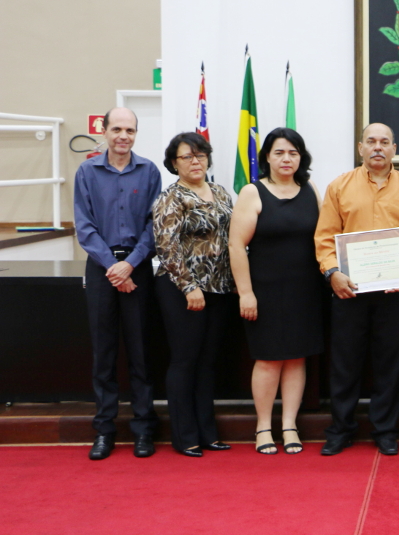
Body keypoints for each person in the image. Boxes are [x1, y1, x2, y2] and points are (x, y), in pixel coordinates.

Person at [314, 123, 399, 456]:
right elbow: (324, 237)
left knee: (390, 361)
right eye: (371, 142)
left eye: (385, 142)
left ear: (395, 149)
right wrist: (333, 273)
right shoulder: (339, 187)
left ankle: (385, 429)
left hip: (395, 293)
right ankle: (341, 428)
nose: (378, 148)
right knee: (345, 362)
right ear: (360, 147)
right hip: (349, 290)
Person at [229, 128, 325, 455]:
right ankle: (263, 427)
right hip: (264, 292)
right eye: (280, 152)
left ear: (301, 157)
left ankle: (289, 424)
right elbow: (236, 246)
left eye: (293, 153)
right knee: (269, 360)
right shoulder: (252, 193)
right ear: (267, 156)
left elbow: (324, 238)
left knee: (297, 358)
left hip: (305, 290)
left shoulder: (311, 189)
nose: (287, 159)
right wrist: (246, 293)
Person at [73, 107, 161, 460]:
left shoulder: (150, 170)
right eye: (117, 129)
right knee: (104, 355)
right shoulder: (87, 171)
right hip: (101, 269)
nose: (123, 136)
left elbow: (154, 227)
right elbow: (84, 226)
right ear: (105, 132)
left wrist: (129, 265)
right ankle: (105, 430)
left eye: (130, 130)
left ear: (136, 134)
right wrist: (113, 268)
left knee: (141, 354)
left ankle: (143, 430)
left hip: (137, 267)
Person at [153, 132, 236, 457]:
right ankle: (185, 435)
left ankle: (208, 433)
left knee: (207, 363)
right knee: (185, 361)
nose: (195, 161)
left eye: (200, 155)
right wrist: (189, 287)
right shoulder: (170, 197)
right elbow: (166, 246)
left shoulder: (219, 192)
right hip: (181, 289)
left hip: (219, 287)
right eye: (187, 156)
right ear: (174, 163)